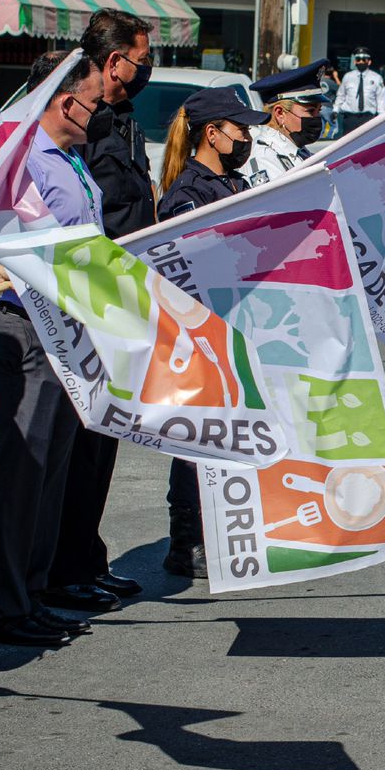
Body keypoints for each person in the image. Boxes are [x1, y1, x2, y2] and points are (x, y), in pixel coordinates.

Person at [0, 53, 108, 648]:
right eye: (94, 101)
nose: (100, 111)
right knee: (19, 467)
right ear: (63, 98)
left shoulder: (69, 157)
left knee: (50, 467)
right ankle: (0, 604)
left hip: (67, 326)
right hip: (23, 325)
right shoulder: (19, 159)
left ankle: (33, 589)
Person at [46, 9, 157, 612]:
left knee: (102, 446)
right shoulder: (79, 123)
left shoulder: (120, 122)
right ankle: (64, 568)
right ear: (115, 62)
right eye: (142, 60)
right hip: (82, 308)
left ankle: (85, 556)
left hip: (119, 304)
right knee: (77, 450)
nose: (146, 71)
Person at [153, 87, 269, 577]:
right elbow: (192, 265)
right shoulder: (188, 193)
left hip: (238, 327)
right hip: (201, 331)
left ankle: (223, 530)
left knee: (230, 436)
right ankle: (187, 543)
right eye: (239, 129)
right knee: (197, 440)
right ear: (212, 134)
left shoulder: (235, 183)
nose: (246, 137)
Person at [245, 59, 331, 186]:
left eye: (319, 111)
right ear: (280, 113)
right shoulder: (264, 157)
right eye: (311, 111)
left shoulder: (298, 150)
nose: (316, 117)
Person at [335, 46, 385, 135]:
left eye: (364, 59)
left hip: (368, 118)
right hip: (350, 118)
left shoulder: (377, 78)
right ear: (355, 61)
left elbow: (381, 99)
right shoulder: (348, 77)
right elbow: (341, 95)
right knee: (348, 145)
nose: (361, 61)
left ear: (369, 62)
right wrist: (335, 110)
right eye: (358, 59)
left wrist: (381, 116)